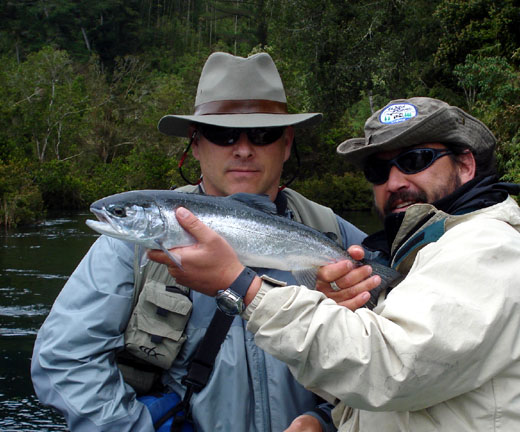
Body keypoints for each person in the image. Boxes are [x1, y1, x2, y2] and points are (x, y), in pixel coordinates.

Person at [148, 97, 520, 431]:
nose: (395, 182)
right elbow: (404, 388)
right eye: (378, 171)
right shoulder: (430, 256)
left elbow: (389, 369)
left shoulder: (490, 249)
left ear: (466, 164)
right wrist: (328, 420)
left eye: (415, 160)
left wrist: (242, 287)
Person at [31, 52, 369, 432]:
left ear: (287, 143)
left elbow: (396, 361)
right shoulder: (133, 245)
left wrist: (326, 420)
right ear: (195, 144)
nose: (243, 149)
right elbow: (63, 360)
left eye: (263, 134)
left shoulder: (336, 234)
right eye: (222, 134)